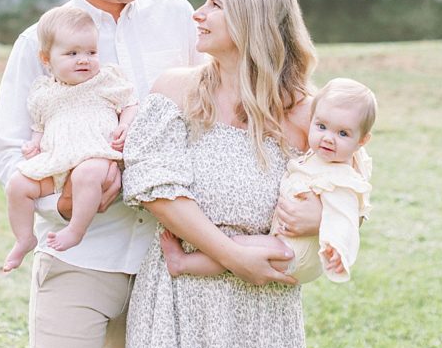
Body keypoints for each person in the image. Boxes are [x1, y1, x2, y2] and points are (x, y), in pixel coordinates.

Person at [0, 0, 207, 348]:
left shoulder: (178, 17)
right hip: (81, 258)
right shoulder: (38, 42)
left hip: (168, 259)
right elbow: (8, 151)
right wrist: (65, 203)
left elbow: (215, 111)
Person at [120, 0, 320, 348]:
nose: (198, 14)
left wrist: (321, 215)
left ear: (253, 21)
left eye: (215, 5)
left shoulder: (305, 112)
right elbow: (157, 190)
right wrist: (233, 256)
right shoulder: (176, 89)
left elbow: (349, 191)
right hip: (181, 295)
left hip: (262, 306)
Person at [159, 76, 376, 286]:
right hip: (287, 243)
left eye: (343, 133)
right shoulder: (318, 158)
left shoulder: (343, 179)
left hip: (294, 253)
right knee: (238, 247)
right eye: (321, 127)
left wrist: (337, 250)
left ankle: (182, 263)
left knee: (236, 248)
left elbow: (345, 218)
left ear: (362, 140)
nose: (328, 138)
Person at [2, 5, 138, 273]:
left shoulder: (104, 80)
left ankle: (76, 230)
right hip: (56, 161)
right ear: (46, 58)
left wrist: (125, 124)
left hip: (96, 154)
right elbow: (39, 124)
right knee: (17, 185)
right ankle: (24, 238)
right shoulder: (44, 93)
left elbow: (130, 103)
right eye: (72, 54)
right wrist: (34, 143)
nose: (84, 60)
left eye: (91, 52)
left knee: (87, 175)